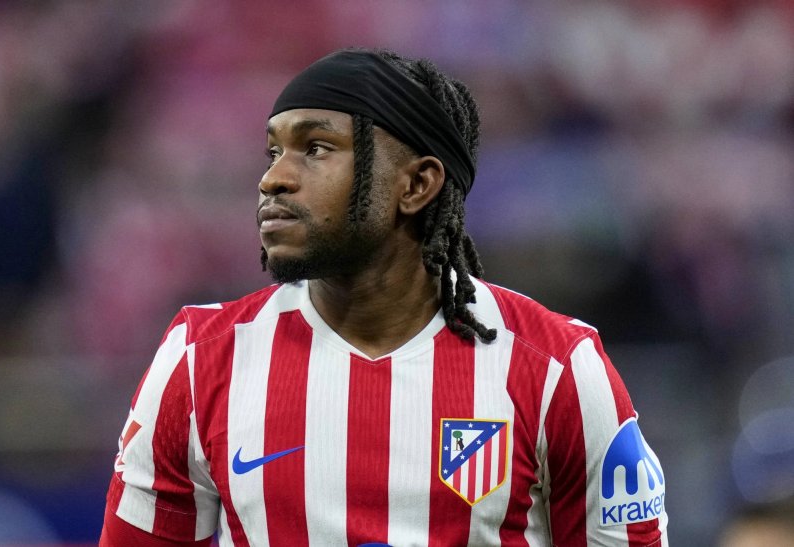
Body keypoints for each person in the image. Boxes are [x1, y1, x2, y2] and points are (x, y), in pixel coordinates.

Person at [100, 48, 668, 546]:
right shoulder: (199, 359)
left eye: (315, 148)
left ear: (416, 185)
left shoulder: (556, 367)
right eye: (274, 151)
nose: (273, 179)